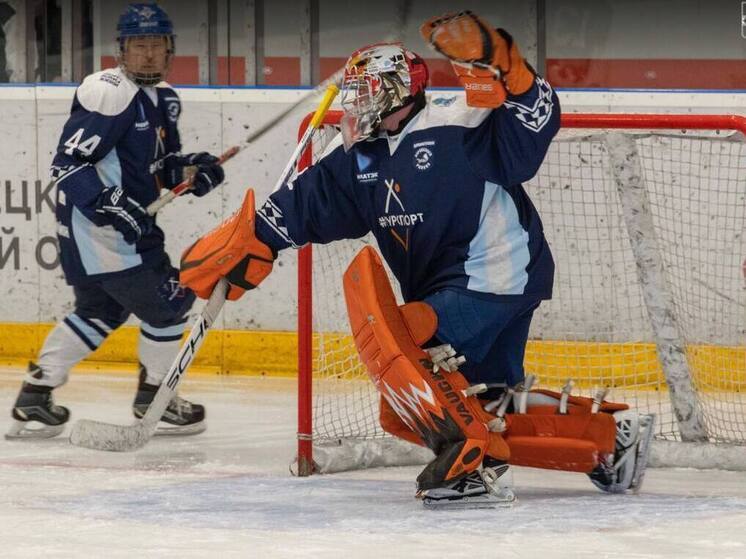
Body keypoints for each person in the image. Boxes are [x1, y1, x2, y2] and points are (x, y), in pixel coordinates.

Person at [179, 12, 653, 508]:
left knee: (407, 338)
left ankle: (476, 470)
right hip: (468, 284)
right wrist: (252, 241)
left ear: (398, 89)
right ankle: (610, 440)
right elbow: (306, 203)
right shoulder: (361, 157)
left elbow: (531, 122)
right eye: (354, 92)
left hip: (495, 276)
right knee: (475, 399)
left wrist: (506, 66)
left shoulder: (458, 123)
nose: (356, 102)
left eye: (367, 90)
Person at [6, 3, 225, 440]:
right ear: (121, 50)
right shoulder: (109, 91)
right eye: (138, 44)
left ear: (170, 49)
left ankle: (36, 394)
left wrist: (191, 173)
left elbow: (157, 167)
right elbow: (68, 164)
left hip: (111, 231)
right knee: (170, 305)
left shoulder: (164, 99)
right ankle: (154, 399)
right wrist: (109, 203)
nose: (147, 53)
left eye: (155, 44)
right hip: (102, 233)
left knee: (99, 311)